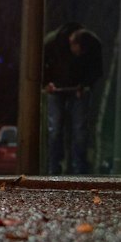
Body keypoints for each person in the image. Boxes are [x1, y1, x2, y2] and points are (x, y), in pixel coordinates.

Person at [43, 23, 103, 174]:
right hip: (56, 88)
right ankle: (54, 167)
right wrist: (45, 83)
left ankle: (79, 169)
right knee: (55, 129)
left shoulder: (93, 45)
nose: (79, 54)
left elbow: (97, 70)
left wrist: (85, 85)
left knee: (80, 130)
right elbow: (38, 62)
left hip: (78, 89)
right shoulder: (52, 42)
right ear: (72, 43)